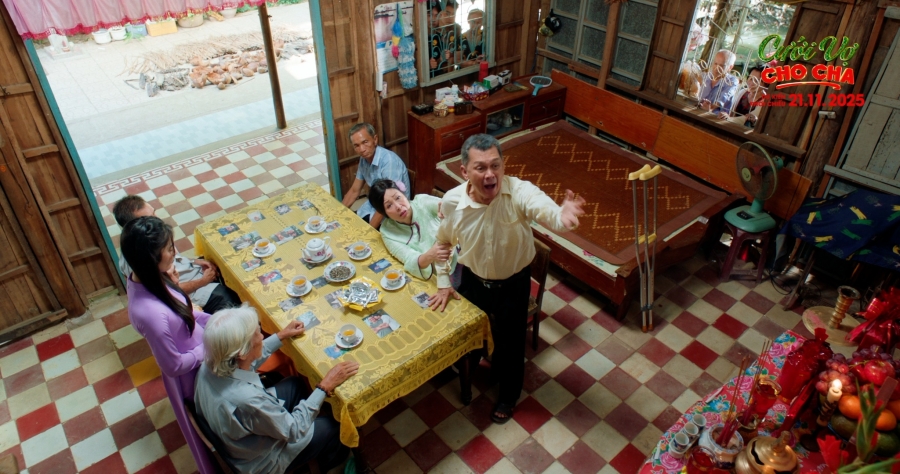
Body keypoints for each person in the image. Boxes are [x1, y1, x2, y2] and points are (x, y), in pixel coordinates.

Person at [431, 134, 586, 424]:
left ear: (504, 166)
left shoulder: (519, 192)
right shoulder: (453, 201)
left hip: (514, 283)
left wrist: (560, 216)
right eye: (480, 168)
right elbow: (442, 242)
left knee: (512, 344)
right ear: (464, 171)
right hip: (473, 280)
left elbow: (542, 207)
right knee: (468, 331)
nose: (490, 174)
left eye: (496, 165)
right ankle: (470, 365)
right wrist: (442, 281)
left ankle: (508, 396)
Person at [195, 305, 358, 473]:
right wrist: (324, 386)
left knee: (295, 384)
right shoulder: (249, 400)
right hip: (264, 459)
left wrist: (281, 335)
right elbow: (293, 431)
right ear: (242, 352)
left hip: (240, 437)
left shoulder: (211, 363)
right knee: (333, 426)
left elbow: (247, 360)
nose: (261, 336)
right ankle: (330, 464)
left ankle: (309, 427)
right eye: (257, 333)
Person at [121, 216, 218, 474]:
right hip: (193, 376)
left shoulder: (149, 277)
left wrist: (215, 321)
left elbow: (185, 311)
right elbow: (173, 365)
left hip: (201, 352)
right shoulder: (150, 313)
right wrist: (208, 346)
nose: (174, 251)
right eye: (169, 248)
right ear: (150, 258)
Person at [114, 195, 241, 313]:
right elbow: (167, 292)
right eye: (150, 218)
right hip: (191, 292)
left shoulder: (152, 237)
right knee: (229, 297)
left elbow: (175, 258)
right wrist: (203, 281)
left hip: (191, 273)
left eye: (154, 212)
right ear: (137, 226)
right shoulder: (141, 261)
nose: (158, 219)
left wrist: (194, 261)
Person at [367, 179, 456, 282]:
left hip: (454, 262)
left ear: (404, 195)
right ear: (384, 213)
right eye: (389, 205)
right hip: (431, 277)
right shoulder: (387, 231)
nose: (398, 207)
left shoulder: (422, 202)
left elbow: (451, 208)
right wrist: (431, 254)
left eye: (398, 197)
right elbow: (409, 259)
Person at [340, 123, 411, 229]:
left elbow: (387, 202)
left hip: (394, 212)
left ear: (375, 139)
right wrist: (338, 214)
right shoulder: (364, 159)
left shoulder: (388, 161)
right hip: (375, 207)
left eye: (365, 142)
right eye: (357, 146)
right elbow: (354, 191)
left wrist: (369, 231)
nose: (362, 149)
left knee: (359, 233)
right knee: (345, 225)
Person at [699, 49, 739, 117]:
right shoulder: (704, 75)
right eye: (715, 63)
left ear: (730, 67)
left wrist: (710, 108)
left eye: (722, 65)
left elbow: (724, 97)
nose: (717, 68)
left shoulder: (731, 81)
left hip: (715, 118)